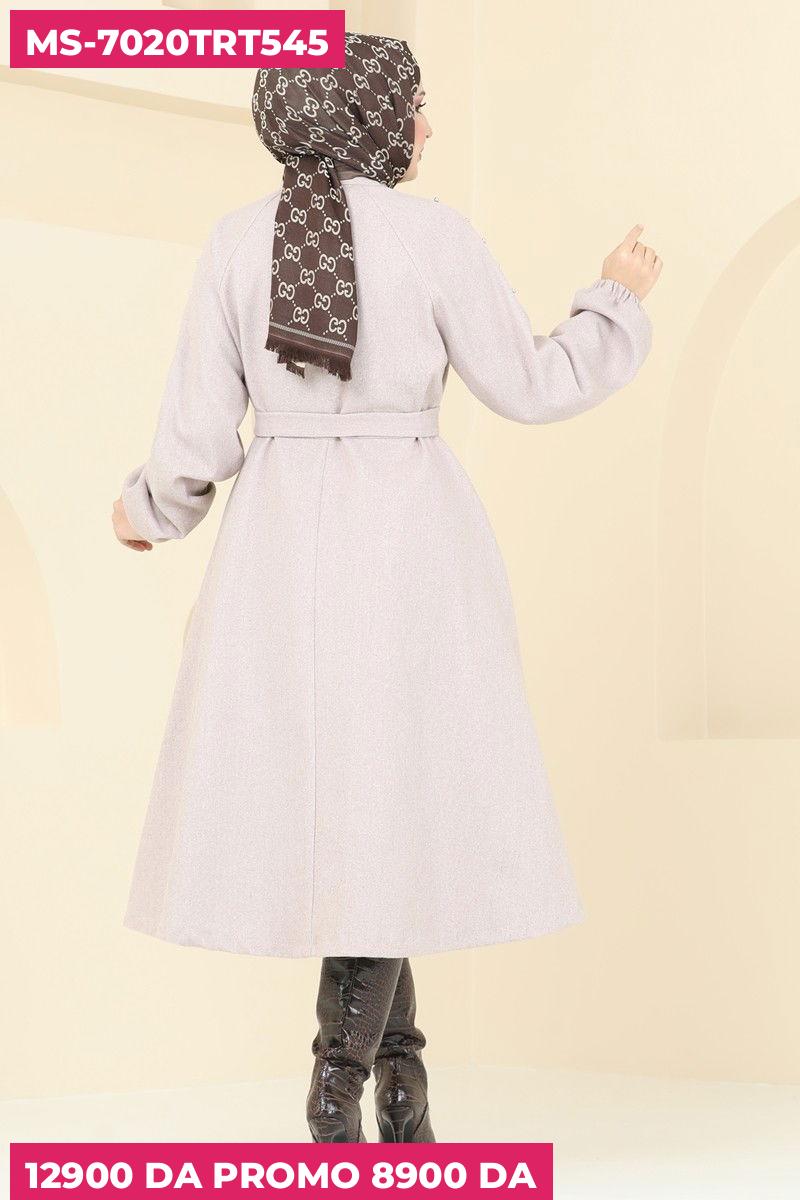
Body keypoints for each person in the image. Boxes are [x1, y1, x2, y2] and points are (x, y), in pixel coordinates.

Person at [111, 32, 661, 1143]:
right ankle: (342, 1083)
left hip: (278, 546)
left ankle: (400, 1091)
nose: (427, 124)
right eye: (414, 105)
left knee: (357, 811)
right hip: (411, 541)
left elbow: (200, 433)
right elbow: (531, 382)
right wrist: (613, 299)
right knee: (388, 802)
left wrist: (149, 509)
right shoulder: (432, 236)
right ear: (368, 117)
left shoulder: (235, 241)